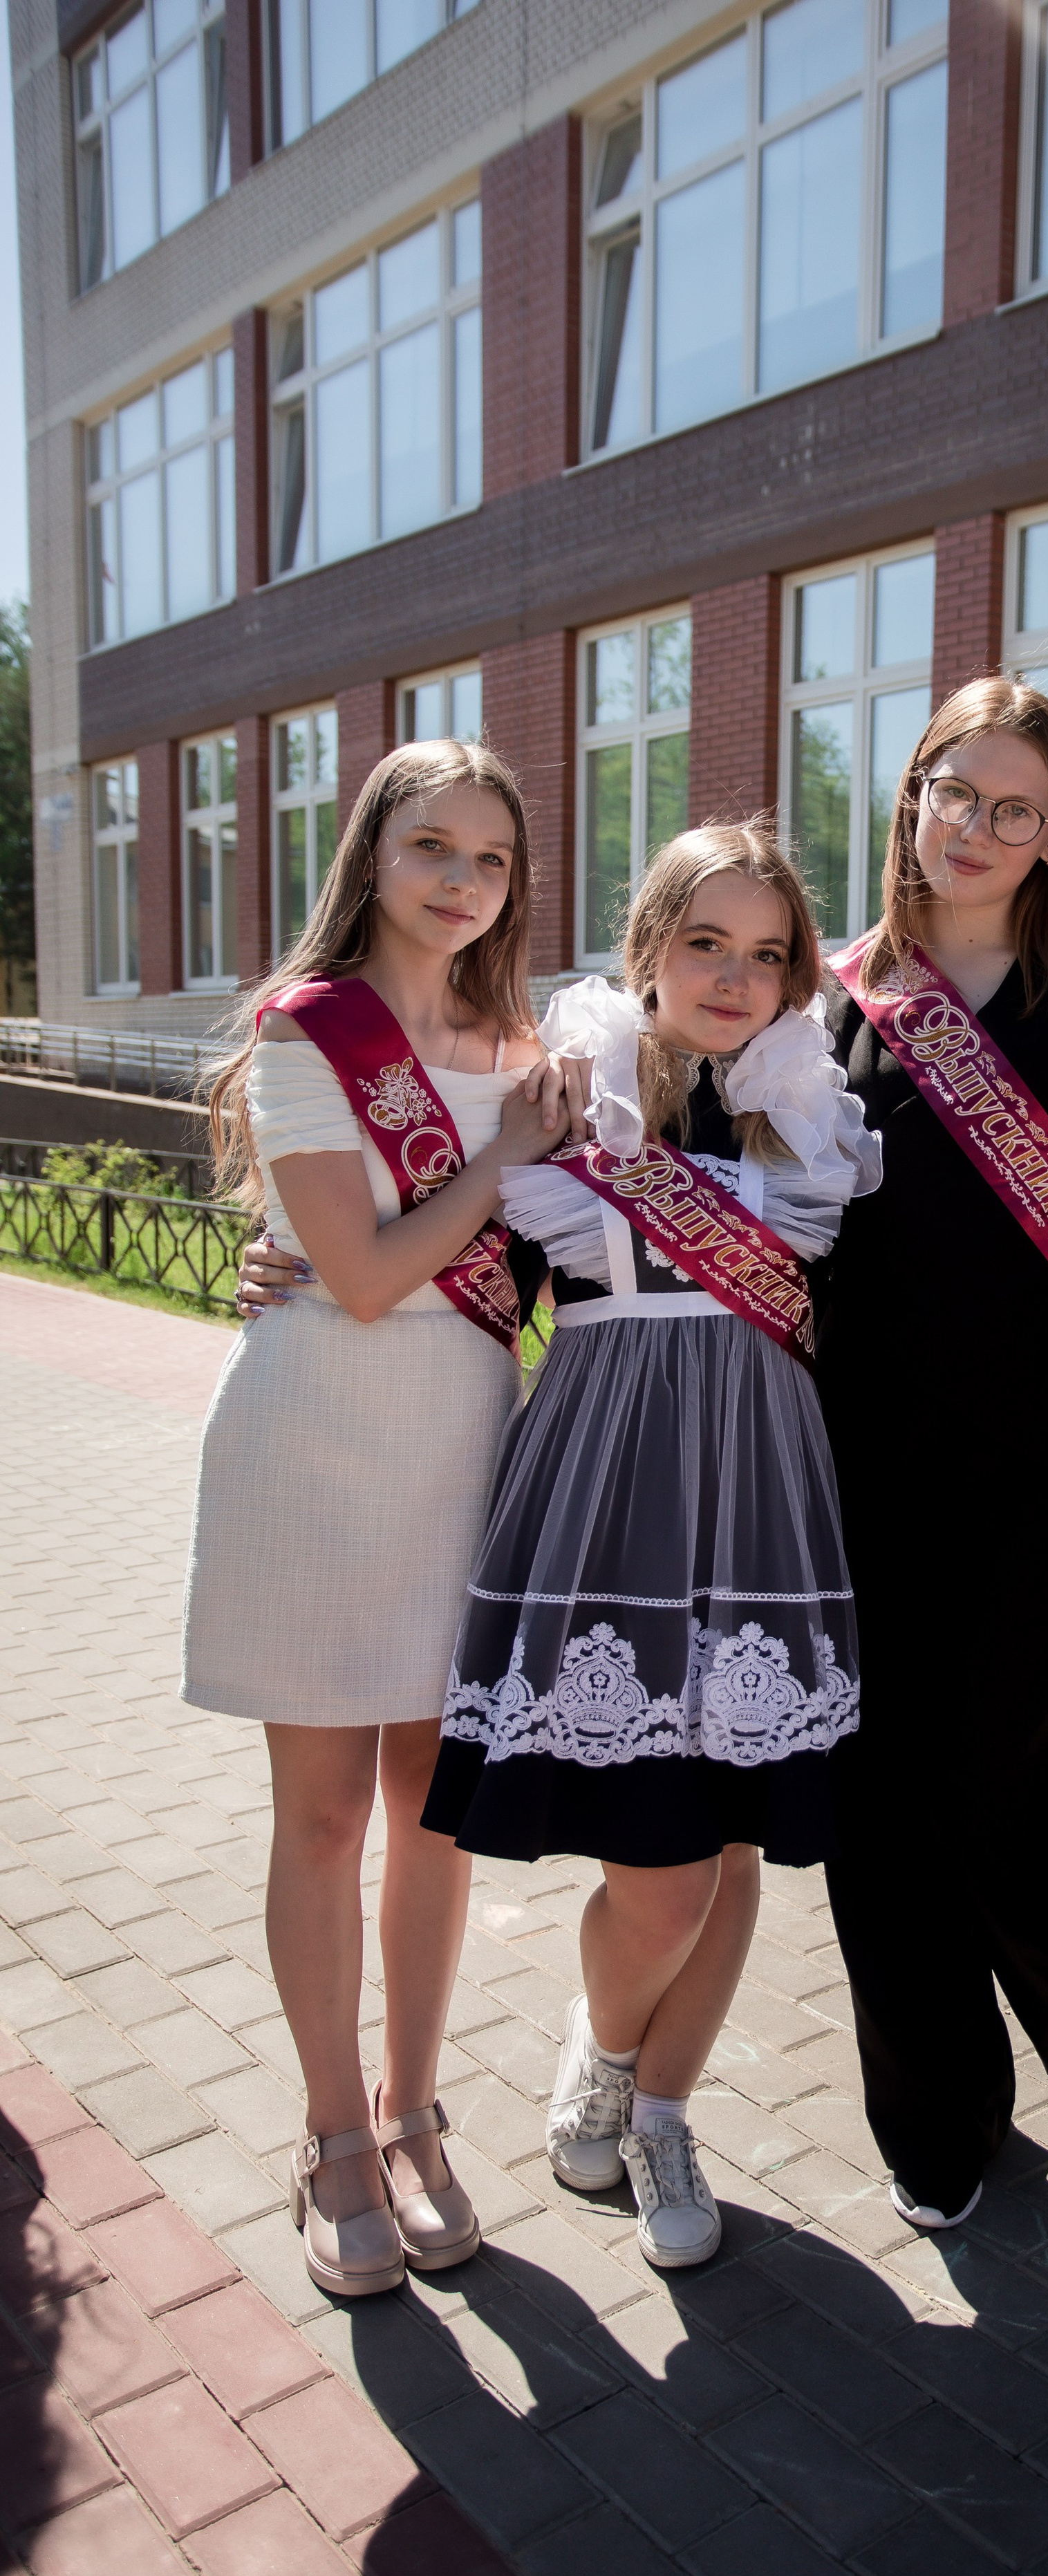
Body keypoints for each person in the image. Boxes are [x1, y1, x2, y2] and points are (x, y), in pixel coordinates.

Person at [421, 825, 880, 2270]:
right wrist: (298, 1262)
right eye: (705, 945)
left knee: (731, 1836)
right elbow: (457, 1259)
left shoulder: (801, 1113)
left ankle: (666, 2109)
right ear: (647, 949)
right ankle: (605, 2055)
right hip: (610, 1490)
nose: (735, 978)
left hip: (758, 1498)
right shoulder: (569, 1091)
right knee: (658, 1865)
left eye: (767, 955)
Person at [186, 738, 581, 2299]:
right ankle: (331, 2133)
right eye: (431, 848)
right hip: (313, 1442)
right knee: (322, 1815)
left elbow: (558, 1248)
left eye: (488, 860)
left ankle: (419, 2116)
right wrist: (497, 1162)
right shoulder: (310, 1029)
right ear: (374, 852)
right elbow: (352, 1277)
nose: (459, 884)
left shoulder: (529, 1047)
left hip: (462, 1443)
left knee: (434, 1807)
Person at [816, 676, 1048, 2232]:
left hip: (1029, 1475)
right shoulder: (827, 998)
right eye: (954, 791)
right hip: (842, 1472)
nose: (973, 827)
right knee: (874, 1807)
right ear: (912, 792)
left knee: (1011, 1797)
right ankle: (935, 2122)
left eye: (1012, 808)